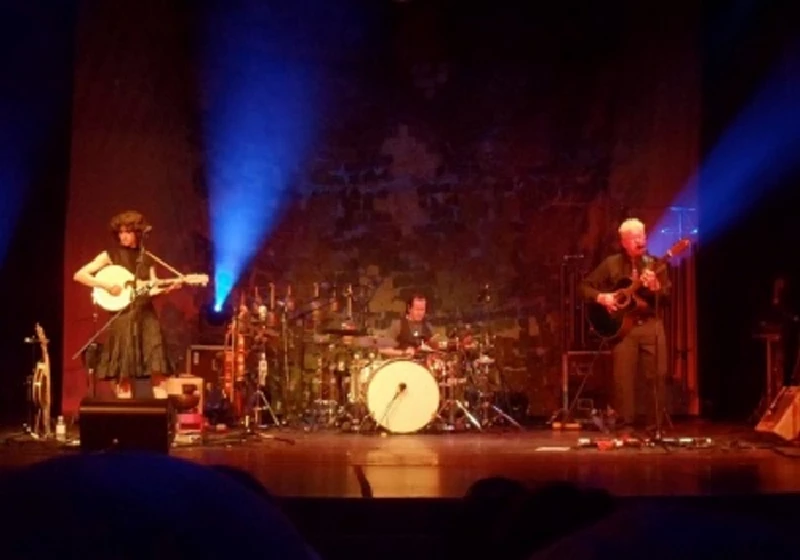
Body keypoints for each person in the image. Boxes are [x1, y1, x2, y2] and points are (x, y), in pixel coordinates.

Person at [73, 210, 177, 399]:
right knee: (123, 374)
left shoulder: (148, 258)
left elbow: (152, 289)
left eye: (127, 232)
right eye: (120, 232)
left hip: (146, 316)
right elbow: (80, 275)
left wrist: (170, 286)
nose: (123, 236)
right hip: (123, 317)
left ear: (137, 233)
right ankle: (124, 418)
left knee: (158, 371)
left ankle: (161, 420)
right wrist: (106, 285)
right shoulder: (110, 255)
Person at [580, 218, 671, 429]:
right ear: (623, 241)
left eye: (643, 236)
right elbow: (584, 287)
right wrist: (602, 297)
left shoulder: (655, 264)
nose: (641, 241)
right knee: (623, 380)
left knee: (657, 376)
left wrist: (656, 287)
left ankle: (654, 426)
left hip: (651, 325)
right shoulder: (611, 264)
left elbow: (667, 299)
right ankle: (625, 425)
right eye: (635, 237)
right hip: (623, 329)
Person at [379, 292, 436, 358]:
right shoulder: (398, 325)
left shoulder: (428, 326)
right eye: (417, 309)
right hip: (403, 364)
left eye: (422, 310)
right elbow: (383, 349)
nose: (420, 313)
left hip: (422, 365)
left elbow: (435, 350)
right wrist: (403, 353)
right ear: (409, 308)